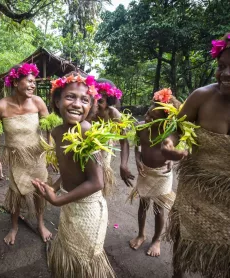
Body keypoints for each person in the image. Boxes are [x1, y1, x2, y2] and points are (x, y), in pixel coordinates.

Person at [32, 72, 115, 278]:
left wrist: (58, 200)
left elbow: (97, 182)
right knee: (69, 254)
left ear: (91, 106)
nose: (77, 104)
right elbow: (67, 166)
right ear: (57, 101)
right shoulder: (58, 132)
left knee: (84, 261)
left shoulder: (86, 131)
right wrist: (55, 187)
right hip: (70, 202)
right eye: (70, 97)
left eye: (84, 100)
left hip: (89, 210)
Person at [161, 33, 230, 278]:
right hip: (195, 191)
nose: (226, 74)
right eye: (222, 66)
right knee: (185, 241)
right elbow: (175, 130)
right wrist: (170, 145)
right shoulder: (201, 96)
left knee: (222, 255)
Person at [0, 63, 52, 245]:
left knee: (40, 190)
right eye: (29, 81)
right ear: (16, 82)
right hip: (16, 157)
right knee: (16, 192)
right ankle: (14, 226)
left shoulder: (38, 102)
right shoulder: (1, 106)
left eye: (34, 82)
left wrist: (50, 151)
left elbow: (48, 128)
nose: (33, 85)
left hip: (37, 155)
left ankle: (40, 224)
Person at [129, 89, 180, 257]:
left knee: (159, 209)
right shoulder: (142, 128)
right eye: (148, 114)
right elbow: (137, 145)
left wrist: (171, 158)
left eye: (153, 118)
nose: (148, 118)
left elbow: (175, 147)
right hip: (145, 171)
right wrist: (137, 159)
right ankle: (141, 234)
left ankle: (157, 239)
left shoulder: (169, 133)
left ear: (166, 121)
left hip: (162, 174)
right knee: (142, 205)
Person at [89, 78, 134, 187]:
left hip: (105, 149)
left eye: (100, 101)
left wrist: (123, 165)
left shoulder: (113, 114)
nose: (95, 105)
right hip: (87, 148)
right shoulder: (86, 111)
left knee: (101, 180)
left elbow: (124, 141)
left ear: (108, 102)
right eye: (93, 100)